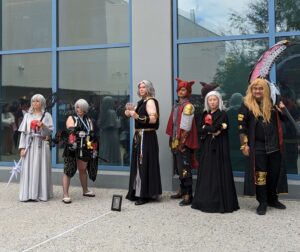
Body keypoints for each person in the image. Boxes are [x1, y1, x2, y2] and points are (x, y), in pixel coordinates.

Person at [238, 78, 288, 215]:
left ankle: (273, 199)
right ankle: (263, 202)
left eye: (260, 89)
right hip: (258, 147)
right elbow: (242, 128)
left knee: (274, 174)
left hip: (274, 146)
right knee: (260, 176)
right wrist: (244, 144)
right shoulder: (246, 105)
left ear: (265, 90)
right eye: (255, 89)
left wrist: (282, 110)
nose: (258, 91)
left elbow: (284, 119)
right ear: (251, 90)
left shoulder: (272, 103)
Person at [191, 91, 239, 213]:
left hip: (219, 148)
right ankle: (205, 200)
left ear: (219, 101)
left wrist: (208, 129)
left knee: (218, 171)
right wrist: (210, 130)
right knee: (207, 172)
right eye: (210, 100)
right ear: (207, 102)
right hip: (207, 147)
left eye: (215, 100)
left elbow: (216, 129)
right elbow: (200, 129)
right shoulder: (204, 114)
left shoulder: (223, 114)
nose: (212, 102)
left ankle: (218, 202)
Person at [125, 80, 162, 205]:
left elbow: (153, 119)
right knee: (139, 163)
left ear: (149, 88)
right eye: (140, 87)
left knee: (144, 162)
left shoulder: (151, 101)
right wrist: (128, 112)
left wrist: (136, 116)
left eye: (143, 87)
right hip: (140, 135)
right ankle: (138, 191)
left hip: (147, 135)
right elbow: (133, 113)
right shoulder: (141, 102)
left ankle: (144, 194)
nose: (141, 89)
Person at [166, 77, 199, 206]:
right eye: (179, 89)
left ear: (188, 91)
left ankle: (188, 195)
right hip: (174, 139)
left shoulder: (188, 106)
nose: (181, 91)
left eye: (184, 89)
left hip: (183, 141)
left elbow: (186, 127)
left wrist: (182, 142)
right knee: (179, 168)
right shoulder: (177, 105)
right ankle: (182, 190)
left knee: (185, 168)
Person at [62, 99, 98, 204]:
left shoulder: (89, 120)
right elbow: (70, 131)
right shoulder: (71, 118)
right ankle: (65, 194)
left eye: (81, 107)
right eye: (77, 107)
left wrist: (91, 145)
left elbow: (91, 134)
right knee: (68, 170)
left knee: (83, 169)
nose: (79, 109)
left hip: (84, 146)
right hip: (72, 146)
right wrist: (76, 134)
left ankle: (85, 190)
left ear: (85, 109)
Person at [18, 94, 53, 202]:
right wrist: (22, 148)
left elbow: (49, 132)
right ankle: (28, 194)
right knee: (28, 167)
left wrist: (43, 126)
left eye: (37, 101)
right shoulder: (27, 116)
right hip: (29, 144)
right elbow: (23, 133)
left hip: (41, 145)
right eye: (33, 101)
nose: (35, 103)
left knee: (40, 166)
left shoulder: (47, 115)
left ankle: (40, 194)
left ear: (42, 102)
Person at [98, 96, 121, 165]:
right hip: (112, 136)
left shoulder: (102, 113)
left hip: (104, 135)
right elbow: (114, 124)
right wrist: (119, 121)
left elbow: (100, 124)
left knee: (105, 150)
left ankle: (104, 163)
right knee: (111, 151)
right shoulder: (112, 112)